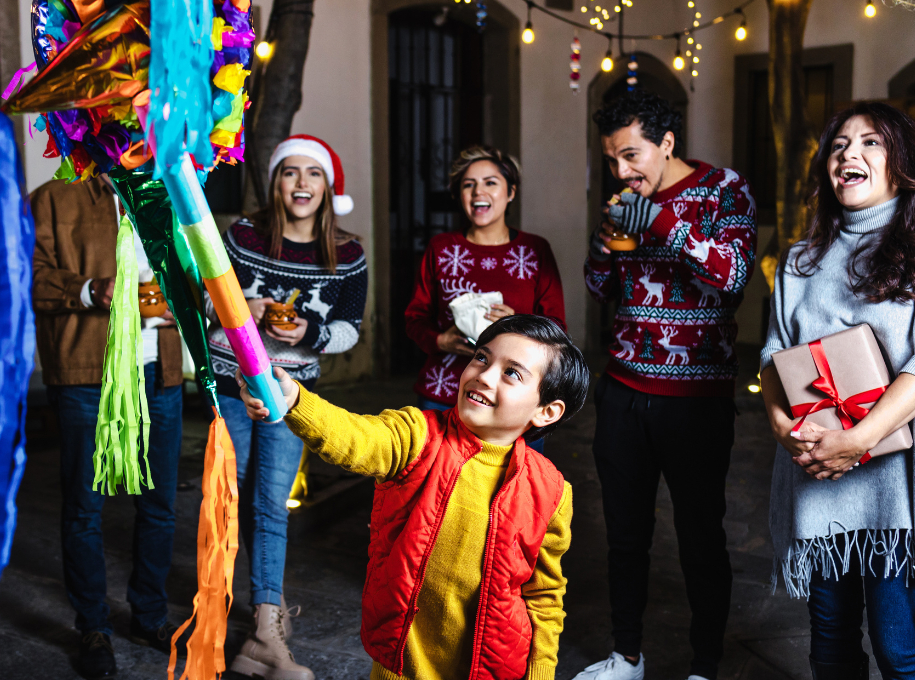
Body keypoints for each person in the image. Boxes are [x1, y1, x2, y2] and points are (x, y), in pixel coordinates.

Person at [236, 314, 585, 680]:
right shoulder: (417, 435)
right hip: (402, 662)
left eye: (511, 372)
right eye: (482, 357)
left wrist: (541, 669)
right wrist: (296, 402)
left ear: (547, 411)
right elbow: (355, 436)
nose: (483, 374)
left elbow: (544, 593)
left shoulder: (552, 491)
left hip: (496, 668)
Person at [575, 89, 757, 680]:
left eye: (631, 156)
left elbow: (731, 278)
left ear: (667, 143)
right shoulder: (626, 198)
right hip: (624, 391)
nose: (621, 171)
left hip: (696, 400)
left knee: (700, 535)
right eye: (611, 160)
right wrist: (603, 245)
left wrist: (660, 221)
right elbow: (601, 288)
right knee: (623, 535)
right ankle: (626, 655)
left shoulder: (725, 189)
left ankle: (705, 665)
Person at [760, 102, 915, 680]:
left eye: (871, 143)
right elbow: (772, 356)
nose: (849, 154)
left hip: (895, 488)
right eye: (838, 146)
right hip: (818, 475)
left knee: (900, 647)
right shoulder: (799, 261)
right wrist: (783, 429)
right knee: (828, 641)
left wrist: (860, 438)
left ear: (902, 163)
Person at [206, 134, 367, 680]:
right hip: (230, 387)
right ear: (274, 182)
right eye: (289, 173)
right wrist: (240, 305)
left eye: (313, 174)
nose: (301, 184)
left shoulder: (348, 253)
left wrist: (309, 329)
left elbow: (349, 330)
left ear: (328, 187)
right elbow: (205, 294)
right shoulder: (243, 236)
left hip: (291, 395)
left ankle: (266, 632)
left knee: (271, 504)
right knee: (235, 503)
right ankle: (255, 615)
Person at [32, 173, 186, 680]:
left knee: (160, 504)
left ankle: (150, 616)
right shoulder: (54, 198)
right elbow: (23, 277)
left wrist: (180, 303)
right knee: (83, 508)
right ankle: (93, 626)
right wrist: (88, 289)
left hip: (157, 371)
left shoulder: (167, 192)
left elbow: (193, 272)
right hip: (85, 373)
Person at [404, 145, 565, 454]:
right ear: (459, 195)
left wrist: (515, 324)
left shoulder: (534, 251)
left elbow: (556, 327)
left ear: (511, 192)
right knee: (440, 489)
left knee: (513, 493)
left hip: (514, 401)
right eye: (468, 184)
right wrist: (441, 342)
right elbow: (414, 318)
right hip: (444, 393)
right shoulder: (441, 248)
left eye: (491, 182)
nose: (479, 191)